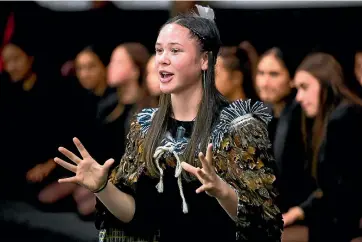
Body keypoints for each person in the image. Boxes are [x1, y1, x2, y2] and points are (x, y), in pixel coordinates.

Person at [54, 5, 283, 242]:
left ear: (205, 59)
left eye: (175, 50)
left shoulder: (239, 128)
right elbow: (136, 215)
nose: (162, 59)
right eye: (159, 50)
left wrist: (223, 192)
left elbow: (263, 223)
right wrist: (102, 188)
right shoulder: (145, 126)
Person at [292, 52, 362, 242]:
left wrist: (302, 211)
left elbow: (343, 191)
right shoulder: (332, 118)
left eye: (304, 87)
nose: (299, 97)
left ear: (325, 82)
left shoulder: (345, 117)